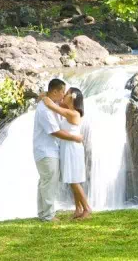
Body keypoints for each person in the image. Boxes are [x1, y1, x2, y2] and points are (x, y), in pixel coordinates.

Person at [33, 79, 83, 222]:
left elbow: (55, 102)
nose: (63, 95)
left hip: (50, 150)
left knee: (45, 181)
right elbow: (55, 131)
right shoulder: (45, 109)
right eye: (62, 92)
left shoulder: (51, 103)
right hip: (46, 150)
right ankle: (48, 216)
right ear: (55, 92)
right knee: (49, 181)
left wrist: (44, 96)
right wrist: (75, 137)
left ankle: (43, 213)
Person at [43, 87, 92, 219]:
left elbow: (53, 107)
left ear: (73, 97)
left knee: (74, 180)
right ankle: (78, 209)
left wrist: (46, 97)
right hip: (67, 146)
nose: (64, 94)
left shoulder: (74, 114)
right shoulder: (69, 110)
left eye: (67, 93)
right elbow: (59, 104)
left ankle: (87, 209)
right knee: (72, 179)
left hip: (72, 148)